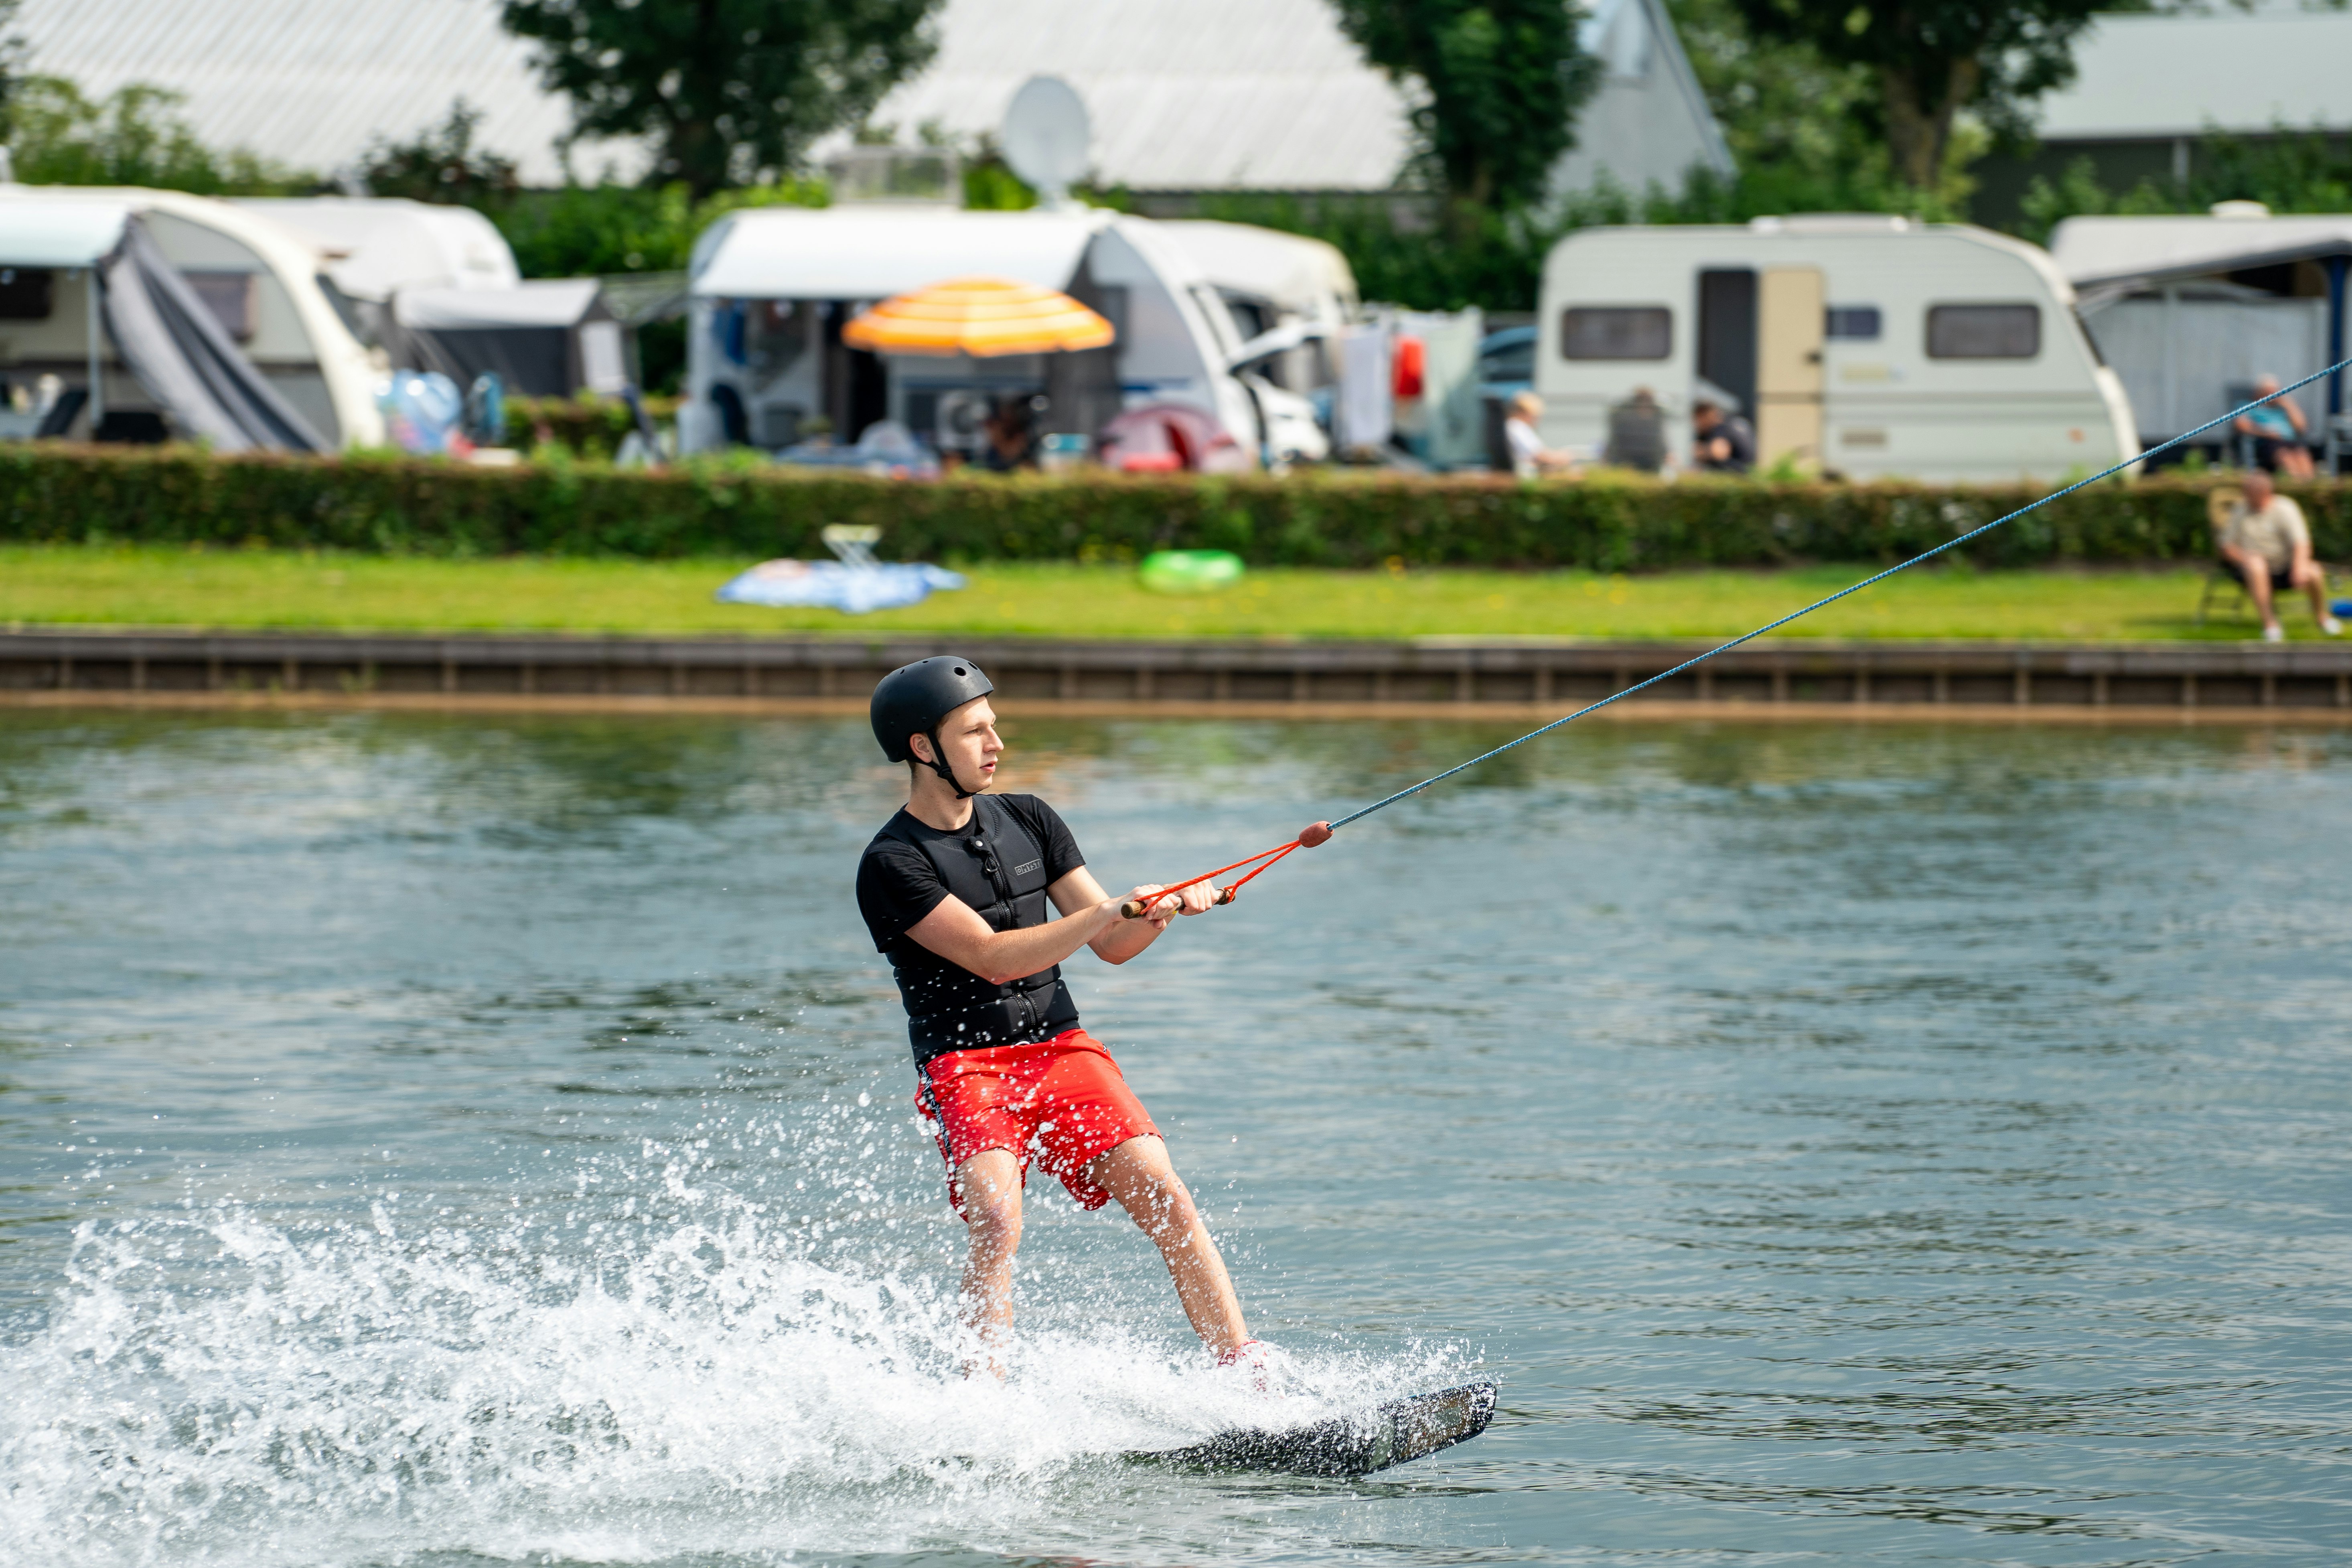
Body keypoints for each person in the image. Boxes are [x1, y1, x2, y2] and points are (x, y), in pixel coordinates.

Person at [855, 657, 1276, 1379]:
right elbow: (991, 957)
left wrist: (1166, 909)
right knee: (995, 1219)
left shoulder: (1030, 817)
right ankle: (980, 1400)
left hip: (1059, 1047)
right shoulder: (891, 862)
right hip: (967, 1065)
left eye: (994, 727)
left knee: (1166, 1195)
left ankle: (1246, 1373)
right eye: (974, 731)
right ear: (924, 747)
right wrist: (1103, 910)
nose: (995, 744)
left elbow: (1112, 942)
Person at [2218, 469, 2340, 642]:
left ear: (2266, 492)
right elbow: (2227, 546)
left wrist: (2299, 567)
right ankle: (2271, 625)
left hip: (2285, 567)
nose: (2247, 496)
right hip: (2253, 571)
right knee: (2257, 566)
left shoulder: (2286, 508)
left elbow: (2302, 542)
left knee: (2314, 571)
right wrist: (2247, 558)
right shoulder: (2241, 510)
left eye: (2251, 493)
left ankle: (2323, 618)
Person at [2234, 374, 2316, 479]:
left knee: (2302, 456)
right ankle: (2297, 486)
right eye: (2269, 392)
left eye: (2275, 391)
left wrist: (2288, 404)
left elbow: (2302, 427)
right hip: (2268, 442)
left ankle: (2309, 487)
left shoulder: (2282, 408)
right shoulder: (2248, 405)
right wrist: (2267, 433)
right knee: (2286, 457)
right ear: (2259, 393)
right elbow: (2242, 426)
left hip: (2291, 440)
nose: (2273, 395)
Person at [1502, 390, 1577, 479]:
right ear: (1524, 412)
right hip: (1529, 474)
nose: (1537, 421)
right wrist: (1561, 457)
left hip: (1529, 471)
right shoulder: (1517, 427)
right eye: (1535, 416)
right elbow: (1539, 455)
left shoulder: (1513, 426)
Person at [1603, 387, 1666, 473]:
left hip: (1648, 464)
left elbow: (1661, 440)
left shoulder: (1657, 416)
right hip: (1627, 463)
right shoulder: (1624, 417)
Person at [1691, 397, 1755, 475]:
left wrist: (1704, 451)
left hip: (1739, 475)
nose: (1696, 424)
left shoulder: (1720, 429)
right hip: (1749, 471)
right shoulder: (1732, 423)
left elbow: (1719, 453)